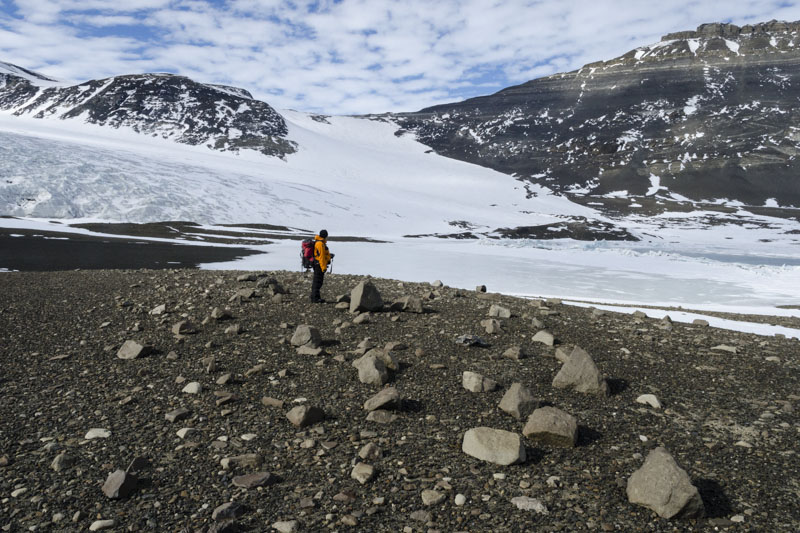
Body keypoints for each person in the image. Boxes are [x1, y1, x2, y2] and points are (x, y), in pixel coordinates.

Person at [310, 229, 333, 303]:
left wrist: (329, 257)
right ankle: (315, 298)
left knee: (318, 281)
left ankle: (315, 297)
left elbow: (323, 255)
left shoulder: (321, 243)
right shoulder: (320, 244)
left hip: (318, 264)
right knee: (317, 281)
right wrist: (323, 268)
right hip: (318, 265)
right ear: (325, 236)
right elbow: (321, 257)